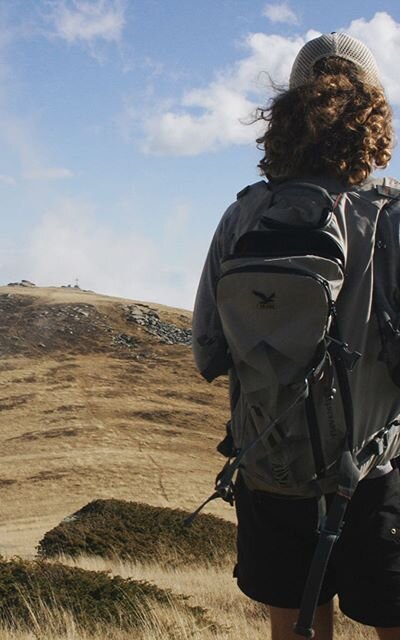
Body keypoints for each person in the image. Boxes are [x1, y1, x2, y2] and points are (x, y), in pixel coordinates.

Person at [192, 33, 400, 640]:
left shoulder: (243, 215)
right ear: (373, 118)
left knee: (297, 631)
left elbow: (208, 348)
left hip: (271, 466)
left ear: (285, 116)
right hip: (374, 471)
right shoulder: (389, 216)